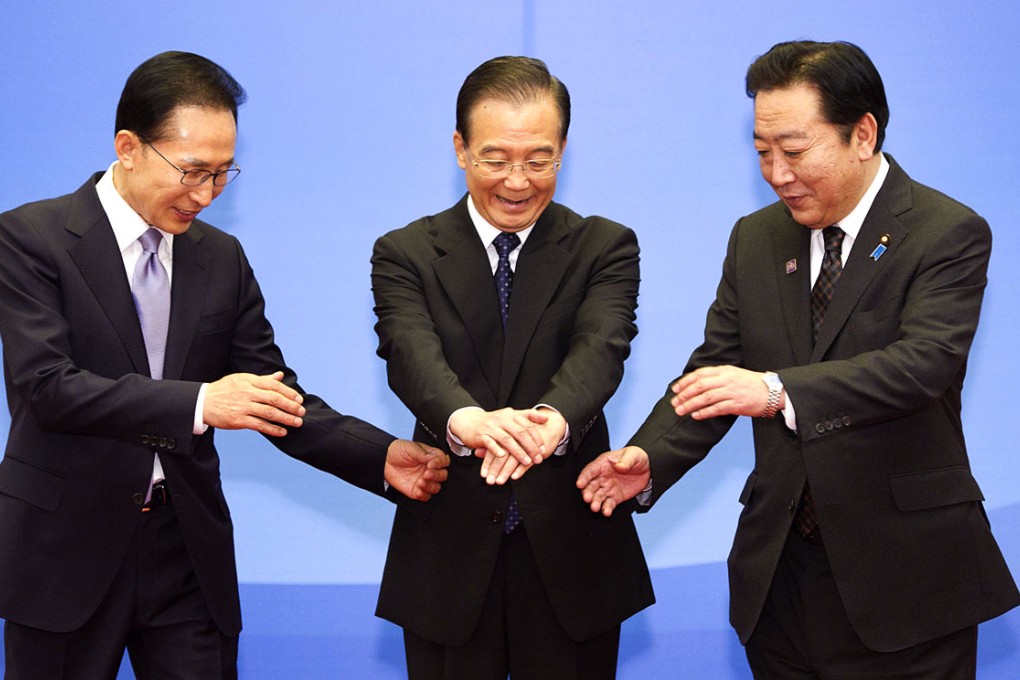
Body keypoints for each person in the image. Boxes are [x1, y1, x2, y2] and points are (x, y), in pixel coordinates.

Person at [0, 51, 450, 679]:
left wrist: (377, 456)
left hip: (186, 551)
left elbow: (268, 392)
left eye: (222, 173)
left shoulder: (221, 257)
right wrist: (199, 404)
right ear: (128, 147)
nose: (206, 195)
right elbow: (46, 389)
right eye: (192, 171)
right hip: (64, 551)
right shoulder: (31, 239)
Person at [577, 40, 1019, 678]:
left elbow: (924, 364)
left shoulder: (944, 231)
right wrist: (649, 459)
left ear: (861, 134)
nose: (776, 173)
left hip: (908, 584)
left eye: (793, 150)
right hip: (780, 579)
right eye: (762, 152)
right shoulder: (756, 238)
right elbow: (716, 371)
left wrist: (778, 391)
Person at [370, 56, 653, 679]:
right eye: (496, 159)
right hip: (447, 553)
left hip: (573, 552)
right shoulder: (406, 253)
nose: (517, 182)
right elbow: (409, 353)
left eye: (539, 159)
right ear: (460, 149)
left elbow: (601, 348)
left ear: (564, 151)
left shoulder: (604, 246)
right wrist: (466, 420)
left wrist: (552, 422)